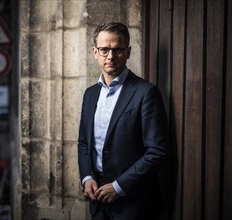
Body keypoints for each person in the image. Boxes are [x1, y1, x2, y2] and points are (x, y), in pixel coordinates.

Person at [77, 22, 170, 220]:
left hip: (134, 203)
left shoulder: (146, 93)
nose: (110, 56)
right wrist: (86, 178)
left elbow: (158, 152)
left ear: (128, 52)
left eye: (117, 49)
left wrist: (119, 187)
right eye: (104, 50)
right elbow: (84, 143)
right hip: (97, 199)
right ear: (95, 52)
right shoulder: (90, 94)